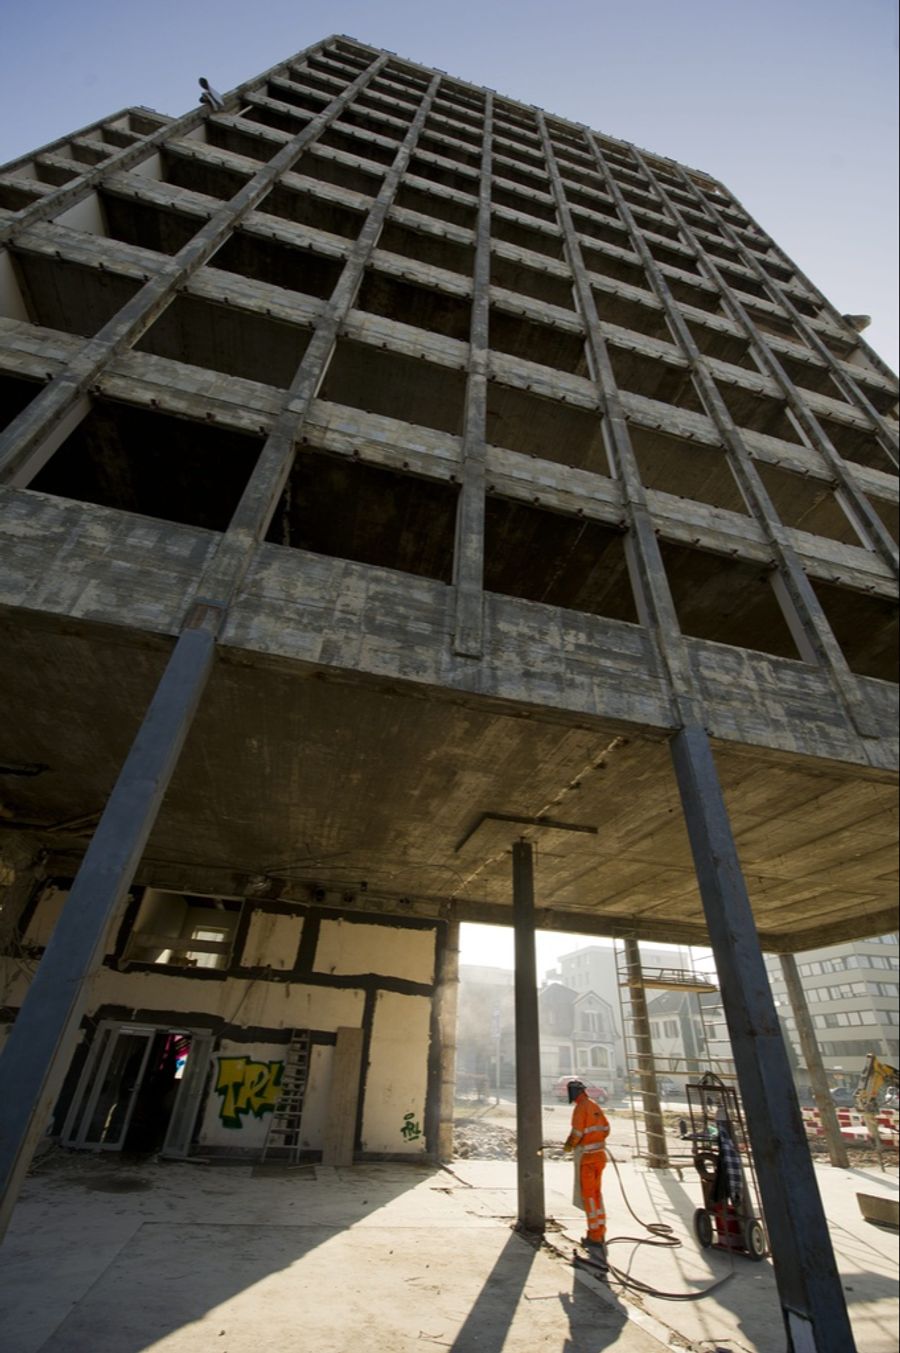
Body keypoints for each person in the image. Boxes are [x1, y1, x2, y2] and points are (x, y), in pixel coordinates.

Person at [563, 1079, 610, 1257]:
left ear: (573, 1093)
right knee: (597, 1195)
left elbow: (577, 1132)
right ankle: (600, 1230)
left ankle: (594, 1236)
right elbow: (606, 1129)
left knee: (589, 1197)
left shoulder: (581, 1108)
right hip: (600, 1157)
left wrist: (569, 1144)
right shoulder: (594, 1105)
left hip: (588, 1160)